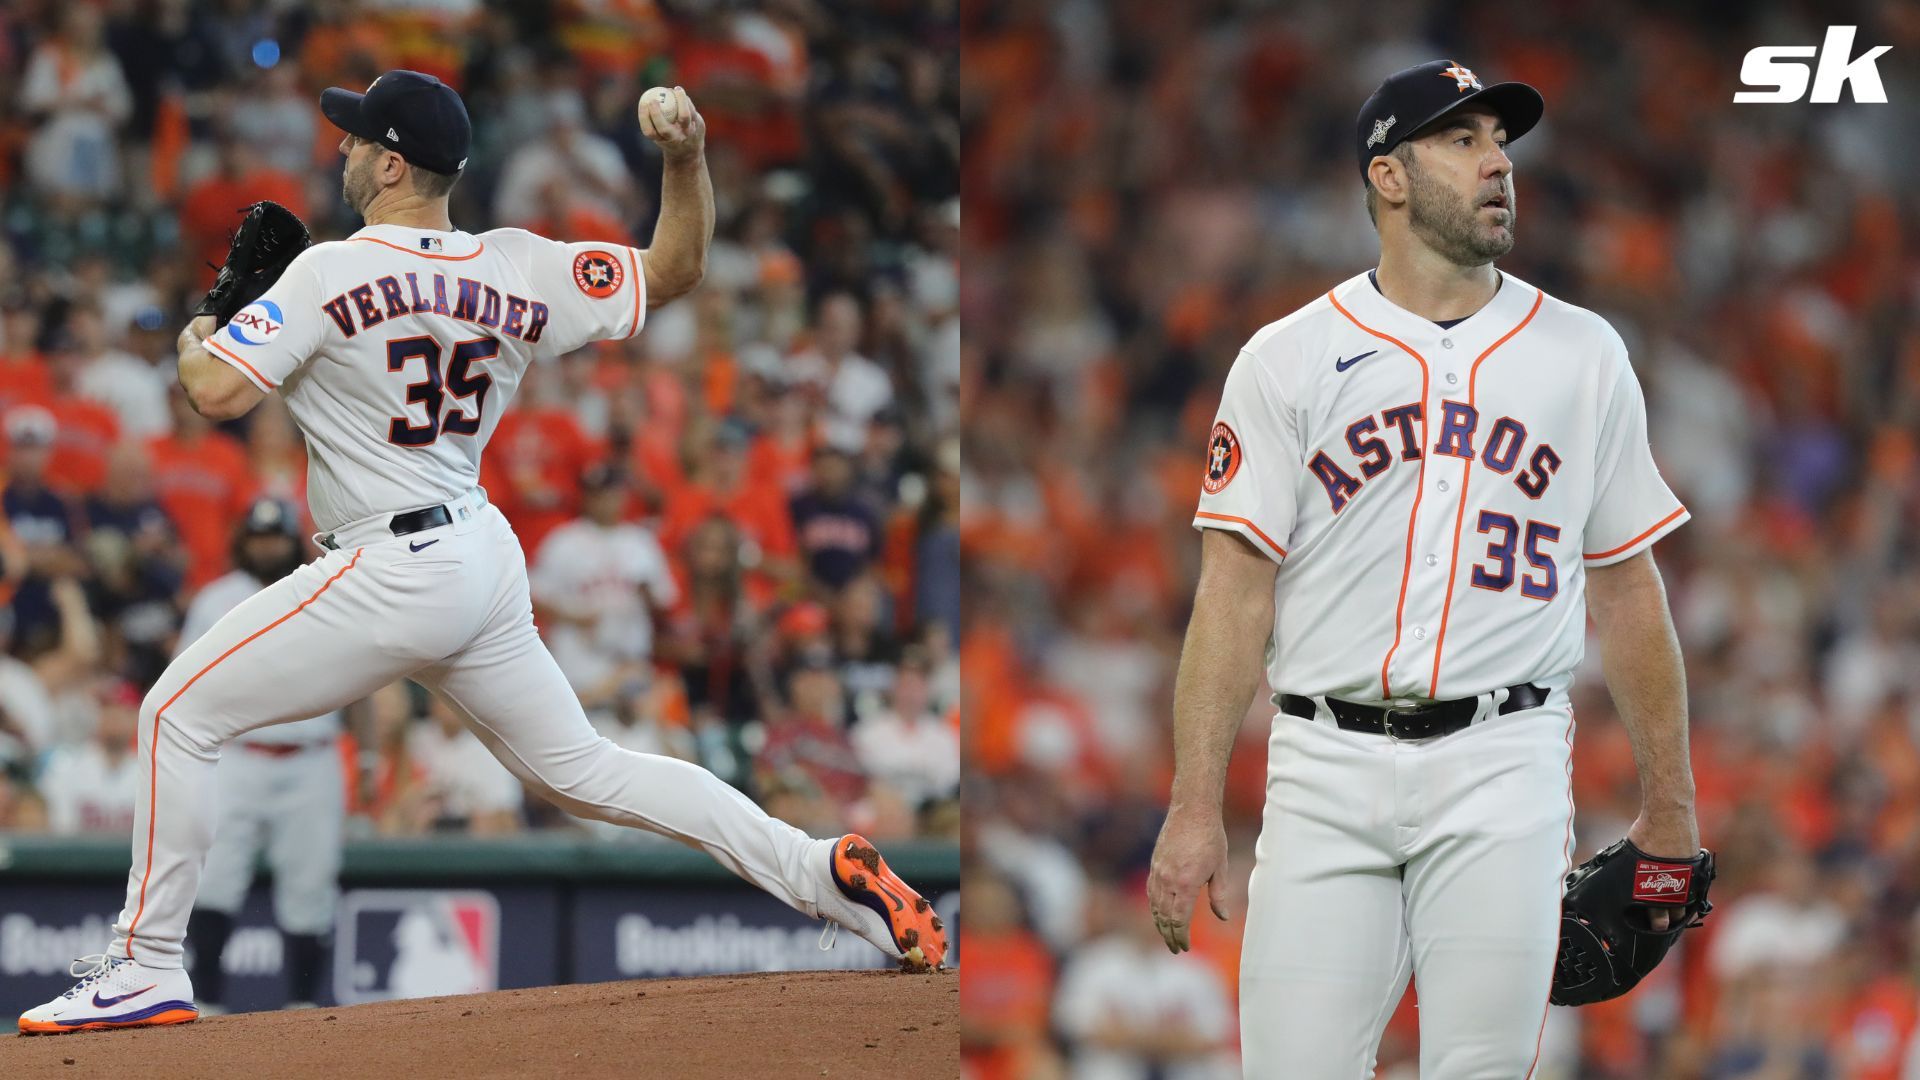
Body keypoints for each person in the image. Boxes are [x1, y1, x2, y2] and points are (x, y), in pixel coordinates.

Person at [21, 68, 943, 1036]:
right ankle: (818, 871)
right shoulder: (514, 264)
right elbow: (674, 268)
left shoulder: (329, 271)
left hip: (392, 562)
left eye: (351, 139)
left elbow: (214, 394)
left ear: (388, 162)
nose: (337, 151)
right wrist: (685, 156)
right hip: (476, 550)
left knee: (175, 714)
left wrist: (202, 330)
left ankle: (146, 965)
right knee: (582, 769)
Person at [1144, 60, 1699, 1078]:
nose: (1498, 163)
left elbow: (1627, 589)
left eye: (1500, 141)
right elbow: (1231, 596)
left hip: (1505, 763)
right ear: (1388, 177)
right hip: (1322, 764)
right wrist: (1193, 807)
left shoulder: (1583, 355)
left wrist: (1672, 805)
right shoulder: (1287, 357)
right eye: (1463, 140)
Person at [183, 498, 347, 1015]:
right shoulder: (216, 600)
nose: (268, 546)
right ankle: (207, 1002)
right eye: (258, 537)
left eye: (275, 537)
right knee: (214, 878)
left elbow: (359, 681)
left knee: (310, 883)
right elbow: (185, 683)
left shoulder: (326, 590)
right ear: (242, 541)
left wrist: (365, 761)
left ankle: (301, 1004)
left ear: (291, 540)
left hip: (312, 757)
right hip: (236, 756)